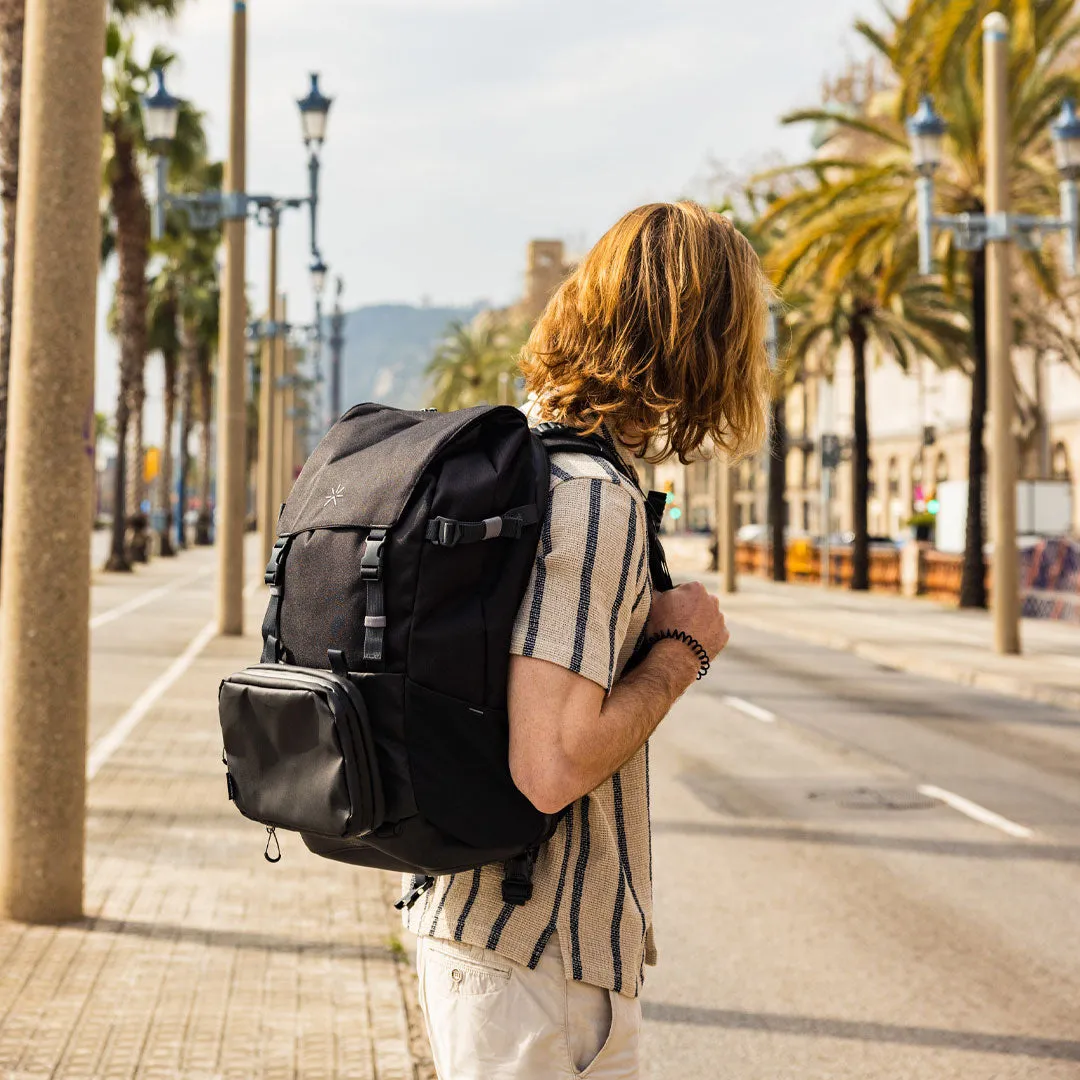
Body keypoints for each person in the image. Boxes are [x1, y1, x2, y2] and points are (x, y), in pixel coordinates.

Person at [403, 200, 772, 1079]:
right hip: (539, 964)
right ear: (699, 340)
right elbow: (554, 763)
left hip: (484, 938)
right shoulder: (594, 498)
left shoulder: (530, 457)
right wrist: (683, 652)